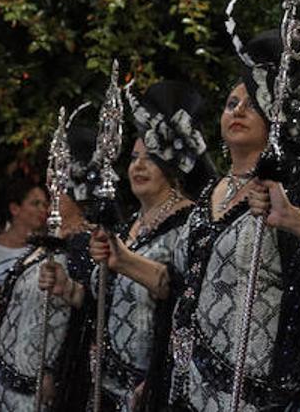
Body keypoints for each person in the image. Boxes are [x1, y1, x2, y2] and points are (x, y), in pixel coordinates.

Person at [150, 22, 300, 412]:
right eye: (230, 104)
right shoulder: (209, 192)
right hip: (186, 382)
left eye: (252, 104)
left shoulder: (289, 191)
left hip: (251, 387)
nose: (237, 110)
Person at [79, 80, 215, 411]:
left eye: (149, 158)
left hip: (152, 382)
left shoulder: (190, 222)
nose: (138, 166)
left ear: (172, 164)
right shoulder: (125, 228)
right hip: (104, 386)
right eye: (134, 157)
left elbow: (186, 292)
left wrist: (125, 260)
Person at [0, 129, 97, 412]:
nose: (51, 195)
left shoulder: (86, 244)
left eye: (57, 186)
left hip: (37, 393)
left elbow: (91, 313)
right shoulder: (41, 243)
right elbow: (19, 312)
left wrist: (58, 375)